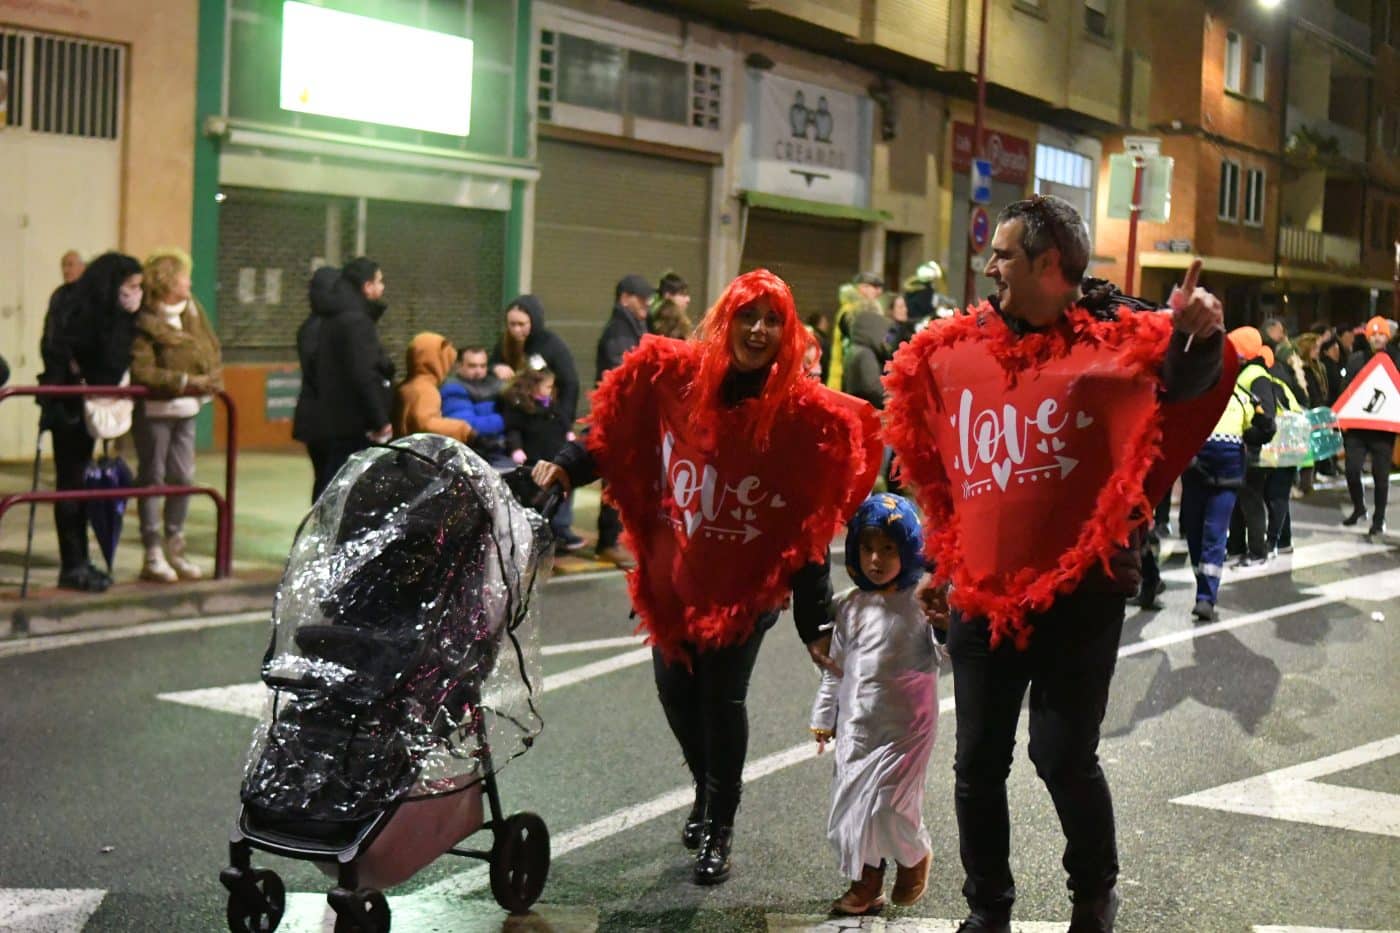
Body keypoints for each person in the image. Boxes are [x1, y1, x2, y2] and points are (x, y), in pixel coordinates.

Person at [883, 195, 1229, 933]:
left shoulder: (1113, 338)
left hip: (1082, 593)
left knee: (1063, 754)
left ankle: (1093, 893)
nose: (990, 267)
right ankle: (988, 909)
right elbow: (934, 467)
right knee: (978, 762)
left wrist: (1197, 336)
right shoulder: (957, 348)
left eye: (1003, 254)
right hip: (984, 593)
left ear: (1048, 264)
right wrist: (940, 560)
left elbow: (1183, 376)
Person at [531, 269, 883, 887]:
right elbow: (618, 434)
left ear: (788, 332)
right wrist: (565, 466)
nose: (758, 330)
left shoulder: (798, 414)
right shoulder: (677, 381)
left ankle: (719, 824)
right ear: (726, 319)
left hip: (747, 589)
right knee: (675, 691)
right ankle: (706, 787)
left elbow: (806, 522)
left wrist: (816, 620)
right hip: (677, 577)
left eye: (773, 319)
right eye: (748, 315)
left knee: (722, 700)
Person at [810, 494, 942, 916]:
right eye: (867, 548)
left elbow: (949, 652)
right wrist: (823, 716)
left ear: (909, 550)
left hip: (907, 728)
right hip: (856, 727)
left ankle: (914, 854)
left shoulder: (922, 602)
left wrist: (948, 624)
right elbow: (835, 667)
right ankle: (866, 885)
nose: (875, 560)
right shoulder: (849, 607)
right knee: (852, 809)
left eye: (888, 549)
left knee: (891, 803)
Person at [37, 252, 145, 592]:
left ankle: (81, 561)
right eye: (131, 287)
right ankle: (73, 565)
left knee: (79, 484)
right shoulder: (82, 309)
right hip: (69, 409)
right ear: (113, 285)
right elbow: (105, 363)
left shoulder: (93, 307)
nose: (136, 294)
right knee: (70, 485)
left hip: (77, 405)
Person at [129, 248, 223, 583]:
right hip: (155, 411)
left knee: (182, 478)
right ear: (168, 281)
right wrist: (183, 381)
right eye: (183, 275)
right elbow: (142, 369)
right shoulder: (144, 319)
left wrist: (210, 379)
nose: (189, 281)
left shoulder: (193, 312)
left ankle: (175, 545)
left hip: (187, 409)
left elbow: (209, 347)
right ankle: (152, 552)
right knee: (152, 476)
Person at [1181, 331, 1276, 621]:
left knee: (1214, 532)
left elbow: (1266, 427)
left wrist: (1254, 428)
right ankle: (1204, 586)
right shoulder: (1195, 392)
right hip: (1197, 472)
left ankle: (1206, 597)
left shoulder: (1241, 396)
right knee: (1194, 531)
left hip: (1227, 476)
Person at [293, 258, 395, 502]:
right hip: (347, 423)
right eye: (379, 281)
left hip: (329, 420)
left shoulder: (326, 322)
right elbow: (362, 374)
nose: (382, 288)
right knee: (337, 490)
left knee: (330, 486)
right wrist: (379, 419)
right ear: (366, 286)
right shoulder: (353, 322)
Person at [591, 275, 655, 568]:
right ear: (625, 298)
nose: (647, 305)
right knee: (617, 478)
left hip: (629, 414)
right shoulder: (619, 330)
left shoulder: (631, 326)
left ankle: (614, 537)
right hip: (620, 415)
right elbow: (624, 370)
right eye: (642, 299)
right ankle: (608, 540)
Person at [500, 368, 581, 549]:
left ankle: (561, 529)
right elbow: (514, 430)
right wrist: (516, 449)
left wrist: (568, 433)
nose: (550, 391)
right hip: (536, 459)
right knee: (537, 496)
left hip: (556, 456)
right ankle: (540, 532)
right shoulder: (521, 408)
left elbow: (562, 420)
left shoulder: (551, 405)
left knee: (562, 492)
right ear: (532, 387)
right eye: (547, 386)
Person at [1340, 316, 1400, 537]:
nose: (1377, 337)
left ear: (1388, 336)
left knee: (1380, 475)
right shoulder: (1356, 359)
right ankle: (1359, 507)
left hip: (1383, 430)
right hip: (1357, 428)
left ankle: (1379, 518)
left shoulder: (1396, 359)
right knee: (1352, 469)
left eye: (1381, 333)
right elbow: (1347, 390)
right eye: (1373, 333)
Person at [1226, 329, 1280, 566]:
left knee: (1251, 500)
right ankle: (1237, 547)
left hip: (1253, 450)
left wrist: (1248, 435)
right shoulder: (1248, 372)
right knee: (1240, 501)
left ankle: (1257, 551)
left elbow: (1265, 416)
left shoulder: (1255, 375)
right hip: (1246, 448)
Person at [488, 294, 580, 428]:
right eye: (512, 324)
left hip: (544, 415)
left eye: (521, 324)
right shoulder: (506, 342)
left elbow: (570, 384)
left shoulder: (553, 345)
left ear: (533, 321)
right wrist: (495, 368)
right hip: (513, 412)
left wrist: (564, 420)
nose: (516, 329)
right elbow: (490, 365)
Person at [393, 332, 474, 445]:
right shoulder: (425, 390)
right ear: (437, 361)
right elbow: (425, 424)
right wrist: (463, 430)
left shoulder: (406, 386)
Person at [440, 346, 510, 465]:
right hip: (474, 455)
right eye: (472, 366)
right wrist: (508, 420)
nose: (478, 371)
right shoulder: (452, 388)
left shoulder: (495, 383)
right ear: (459, 366)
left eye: (483, 366)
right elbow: (467, 426)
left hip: (502, 448)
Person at [840, 306, 893, 410]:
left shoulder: (854, 349)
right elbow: (872, 387)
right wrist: (892, 399)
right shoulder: (865, 354)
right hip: (867, 411)